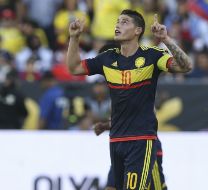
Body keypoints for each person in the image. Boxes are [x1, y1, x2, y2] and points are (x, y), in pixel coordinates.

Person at [67, 9, 191, 189]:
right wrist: (74, 38)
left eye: (124, 22)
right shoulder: (107, 59)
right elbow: (74, 68)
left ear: (137, 30)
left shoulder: (152, 56)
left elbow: (185, 66)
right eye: (117, 21)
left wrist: (166, 39)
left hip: (141, 139)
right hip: (116, 139)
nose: (117, 25)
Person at [94, 121, 168, 190]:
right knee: (113, 184)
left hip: (143, 141)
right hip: (123, 141)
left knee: (152, 183)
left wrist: (106, 126)